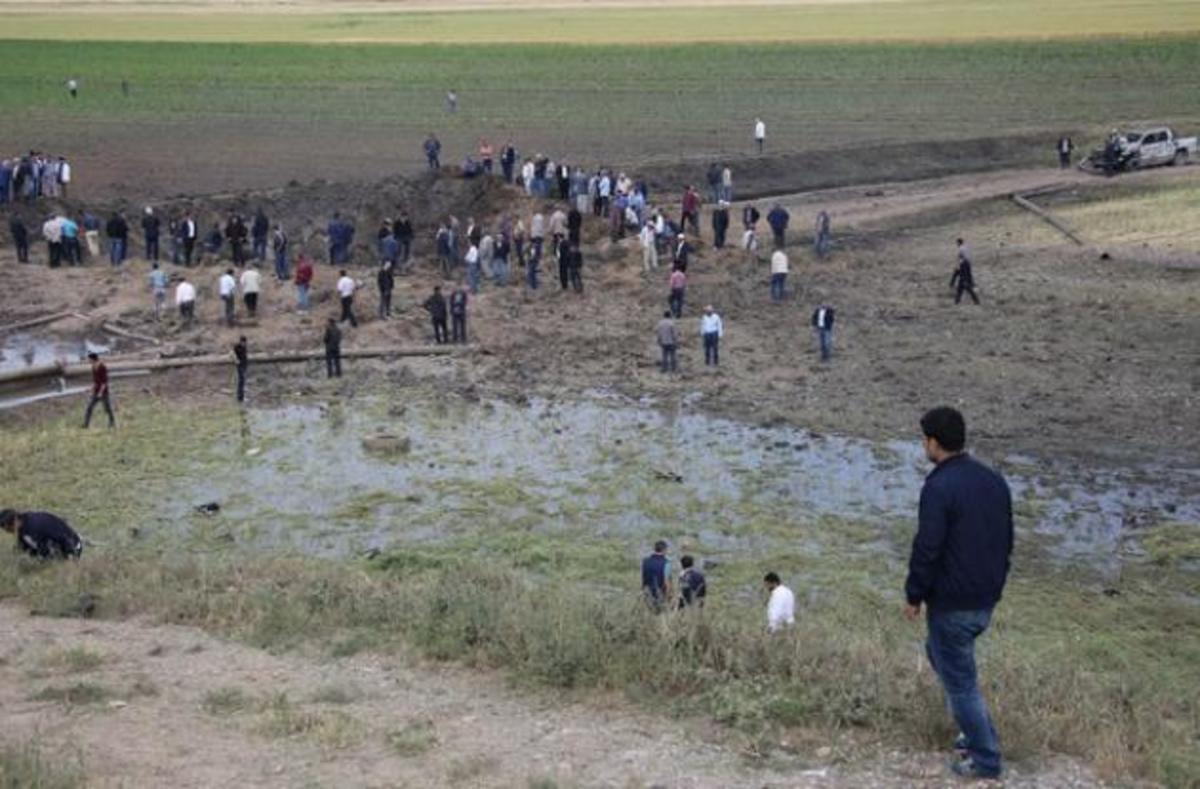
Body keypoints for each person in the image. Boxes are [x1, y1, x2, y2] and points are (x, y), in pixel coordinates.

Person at [905, 407, 1012, 780]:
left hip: (953, 603)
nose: (923, 444)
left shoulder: (938, 486)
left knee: (961, 682)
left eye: (924, 439)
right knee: (938, 654)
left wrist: (913, 594)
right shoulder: (992, 480)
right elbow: (1006, 539)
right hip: (985, 598)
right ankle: (974, 731)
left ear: (934, 442)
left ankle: (985, 757)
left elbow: (928, 547)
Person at [0, 510, 82, 560]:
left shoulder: (35, 526)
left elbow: (63, 538)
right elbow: (23, 548)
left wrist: (71, 556)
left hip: (71, 547)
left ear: (15, 521)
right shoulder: (24, 525)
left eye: (8, 528)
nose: (8, 531)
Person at [82, 352, 115, 429]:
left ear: (93, 359)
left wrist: (100, 392)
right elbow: (95, 381)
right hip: (96, 392)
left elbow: (104, 382)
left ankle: (112, 422)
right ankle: (86, 424)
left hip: (103, 393)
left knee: (107, 409)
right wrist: (90, 389)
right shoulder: (93, 367)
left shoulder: (102, 367)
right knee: (89, 408)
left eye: (89, 359)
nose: (88, 361)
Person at [641, 540, 672, 612]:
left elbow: (644, 576)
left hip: (647, 593)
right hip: (660, 594)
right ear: (664, 550)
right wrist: (669, 596)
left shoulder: (645, 561)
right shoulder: (666, 563)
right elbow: (666, 582)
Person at [951, 239, 980, 305]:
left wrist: (957, 267)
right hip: (966, 267)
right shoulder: (966, 248)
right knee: (961, 287)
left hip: (963, 269)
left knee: (964, 286)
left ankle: (976, 300)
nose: (956, 244)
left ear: (958, 243)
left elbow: (960, 259)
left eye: (957, 243)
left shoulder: (961, 250)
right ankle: (957, 301)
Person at [232, 336, 248, 403]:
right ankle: (239, 398)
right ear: (241, 341)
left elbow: (245, 356)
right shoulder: (236, 347)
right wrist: (236, 360)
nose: (244, 344)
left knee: (243, 381)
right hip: (239, 365)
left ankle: (242, 397)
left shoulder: (245, 347)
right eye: (243, 342)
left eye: (245, 343)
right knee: (241, 380)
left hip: (244, 365)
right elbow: (232, 354)